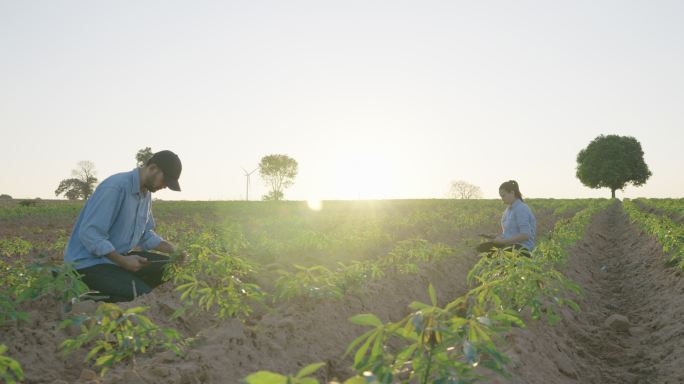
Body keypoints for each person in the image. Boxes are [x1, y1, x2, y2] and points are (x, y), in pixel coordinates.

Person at [64, 150, 186, 302]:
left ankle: (124, 287)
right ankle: (83, 301)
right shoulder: (116, 187)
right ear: (153, 168)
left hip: (116, 260)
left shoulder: (146, 194)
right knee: (142, 296)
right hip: (88, 264)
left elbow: (145, 234)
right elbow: (90, 233)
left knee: (169, 267)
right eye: (165, 180)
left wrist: (174, 250)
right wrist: (122, 261)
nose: (165, 186)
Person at [477, 180, 537, 257]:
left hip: (522, 248)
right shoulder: (509, 210)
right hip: (509, 245)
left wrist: (503, 242)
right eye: (501, 196)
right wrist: (497, 236)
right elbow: (510, 233)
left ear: (512, 193)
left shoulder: (521, 208)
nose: (502, 198)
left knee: (490, 252)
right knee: (481, 248)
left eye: (503, 195)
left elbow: (525, 235)